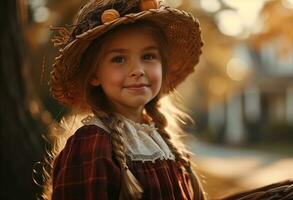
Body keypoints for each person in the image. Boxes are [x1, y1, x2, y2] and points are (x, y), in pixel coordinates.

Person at [43, 0, 205, 199]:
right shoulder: (92, 144)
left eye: (148, 56)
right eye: (119, 59)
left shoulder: (163, 142)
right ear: (94, 74)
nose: (138, 70)